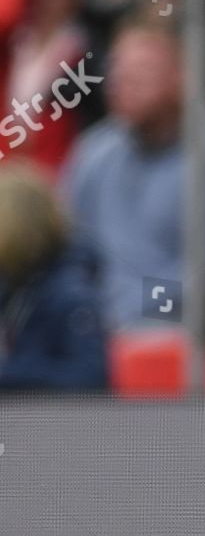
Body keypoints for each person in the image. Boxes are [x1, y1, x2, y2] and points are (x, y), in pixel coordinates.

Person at [63, 8, 205, 335]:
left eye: (143, 70)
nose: (123, 82)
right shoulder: (94, 152)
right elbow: (72, 253)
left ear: (184, 75)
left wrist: (127, 313)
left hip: (191, 340)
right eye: (117, 68)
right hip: (96, 329)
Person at [0, 161, 107, 392]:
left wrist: (10, 376)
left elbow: (91, 378)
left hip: (50, 413)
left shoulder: (71, 296)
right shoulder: (14, 286)